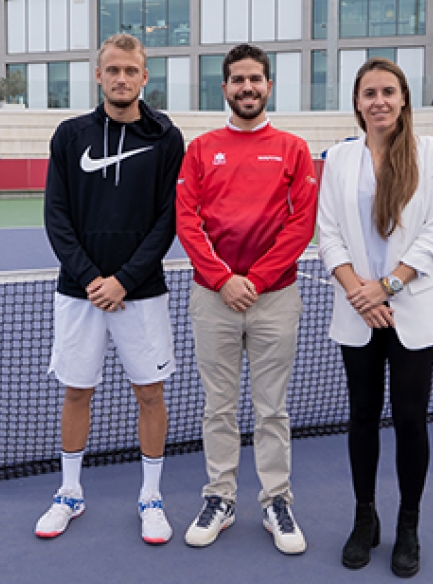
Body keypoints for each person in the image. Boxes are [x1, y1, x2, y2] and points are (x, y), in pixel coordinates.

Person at [35, 33, 185, 545]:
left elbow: (168, 221)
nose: (122, 78)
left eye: (131, 71)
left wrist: (123, 280)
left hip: (142, 293)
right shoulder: (70, 134)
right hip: (78, 293)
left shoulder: (166, 138)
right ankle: (70, 493)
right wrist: (92, 279)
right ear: (99, 76)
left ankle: (150, 498)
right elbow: (56, 216)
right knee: (77, 391)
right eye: (113, 70)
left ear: (145, 78)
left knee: (150, 394)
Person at [176, 44, 318, 555]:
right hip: (213, 298)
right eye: (238, 80)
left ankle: (276, 500)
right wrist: (222, 279)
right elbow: (187, 220)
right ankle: (220, 497)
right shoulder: (200, 149)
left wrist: (254, 279)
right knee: (218, 407)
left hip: (274, 298)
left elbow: (301, 223)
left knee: (271, 409)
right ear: (225, 88)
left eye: (255, 79)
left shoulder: (293, 149)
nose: (247, 87)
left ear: (269, 86)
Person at [317, 57, 433, 577]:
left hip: (412, 310)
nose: (379, 101)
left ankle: (409, 524)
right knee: (362, 418)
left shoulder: (431, 153)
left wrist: (388, 286)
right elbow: (327, 234)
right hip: (359, 313)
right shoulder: (339, 159)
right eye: (369, 92)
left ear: (403, 99)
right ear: (357, 102)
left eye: (388, 92)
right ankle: (364, 518)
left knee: (412, 420)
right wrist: (361, 294)